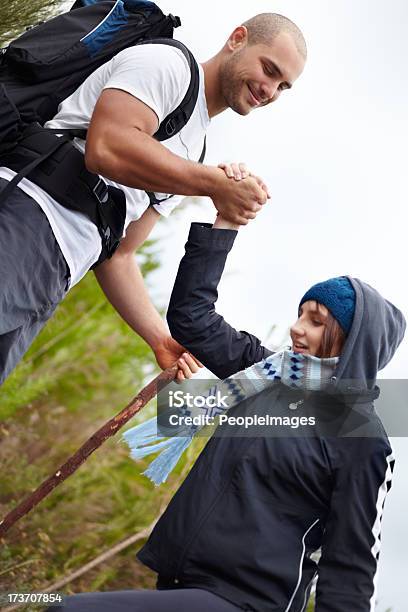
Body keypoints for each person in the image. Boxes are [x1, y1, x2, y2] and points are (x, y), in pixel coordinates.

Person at [50, 167, 405, 611]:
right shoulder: (264, 374)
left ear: (355, 342)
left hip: (249, 601)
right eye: (300, 313)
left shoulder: (361, 438)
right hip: (181, 581)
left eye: (316, 322)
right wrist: (225, 223)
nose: (296, 329)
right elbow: (192, 318)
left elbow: (351, 562)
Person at [0, 13, 306, 386]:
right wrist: (213, 184)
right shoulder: (169, 65)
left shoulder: (193, 149)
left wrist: (158, 338)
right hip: (27, 215)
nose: (269, 90)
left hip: (53, 276)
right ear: (237, 39)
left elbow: (120, 253)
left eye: (283, 86)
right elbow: (106, 146)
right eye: (269, 69)